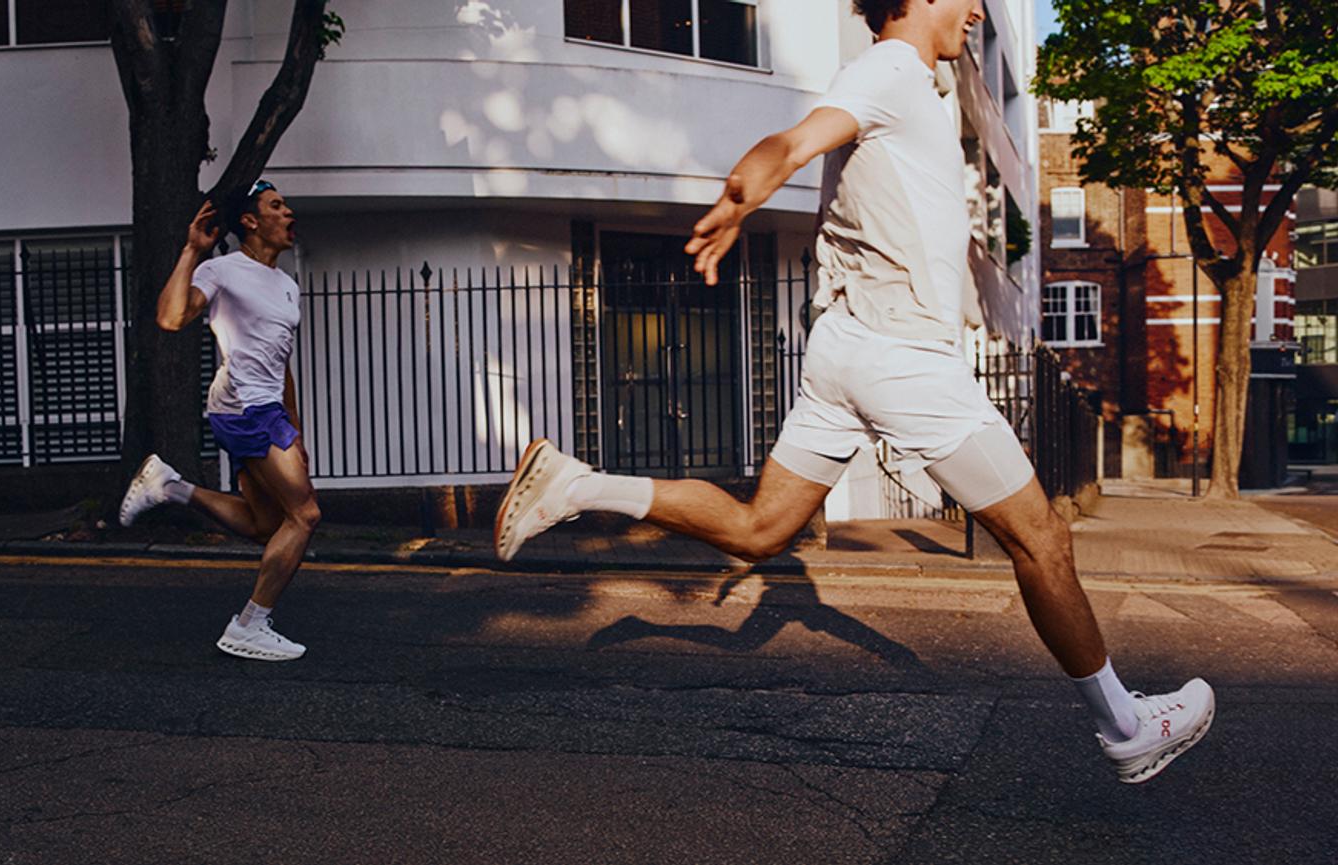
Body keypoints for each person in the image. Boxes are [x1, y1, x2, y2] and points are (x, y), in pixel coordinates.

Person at [494, 0, 1213, 783]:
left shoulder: (901, 83)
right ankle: (1125, 724)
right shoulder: (891, 71)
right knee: (1042, 538)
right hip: (904, 358)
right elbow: (794, 142)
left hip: (842, 350)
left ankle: (576, 485)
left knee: (760, 530)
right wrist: (737, 201)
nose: (978, 11)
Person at [119, 179, 321, 662]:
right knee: (305, 515)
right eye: (277, 206)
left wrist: (295, 431)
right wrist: (192, 250)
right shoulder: (222, 270)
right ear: (250, 221)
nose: (288, 213)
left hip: (267, 410)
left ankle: (170, 487)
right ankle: (249, 625)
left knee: (266, 524)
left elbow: (281, 363)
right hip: (245, 408)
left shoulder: (286, 285)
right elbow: (171, 319)